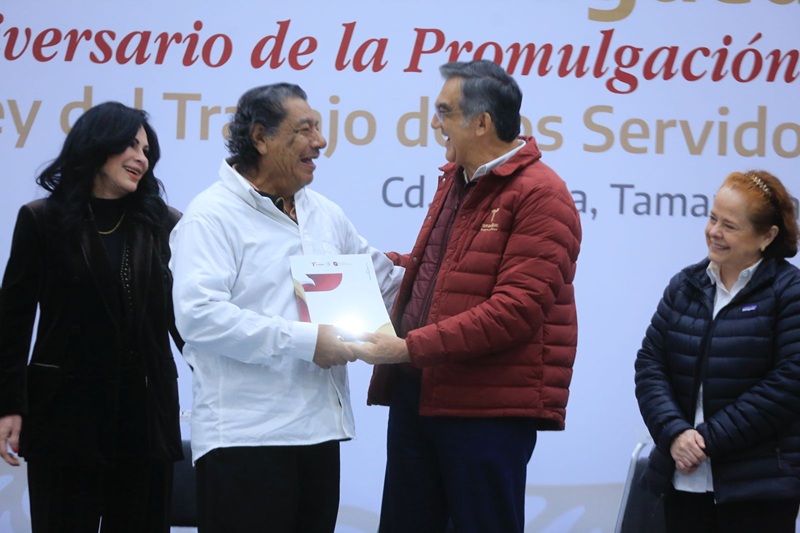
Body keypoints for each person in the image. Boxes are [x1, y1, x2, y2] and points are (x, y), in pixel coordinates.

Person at [350, 60, 582, 533]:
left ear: (481, 123)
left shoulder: (542, 194)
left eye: (444, 112)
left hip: (485, 409)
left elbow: (514, 311)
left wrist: (407, 347)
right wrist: (357, 267)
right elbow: (439, 276)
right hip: (420, 394)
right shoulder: (456, 179)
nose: (435, 124)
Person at [168, 82, 403, 533]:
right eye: (305, 129)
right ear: (261, 137)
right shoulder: (211, 216)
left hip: (320, 435)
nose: (321, 141)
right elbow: (199, 317)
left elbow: (386, 285)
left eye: (319, 128)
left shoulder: (324, 213)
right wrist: (307, 342)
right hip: (245, 440)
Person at [0, 101, 184, 532]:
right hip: (65, 416)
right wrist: (9, 406)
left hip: (145, 416)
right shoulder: (42, 220)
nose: (141, 158)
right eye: (131, 145)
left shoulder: (164, 224)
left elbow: (186, 320)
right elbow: (12, 321)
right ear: (97, 145)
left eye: (147, 151)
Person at [635, 170, 800, 533]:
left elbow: (789, 385)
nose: (714, 232)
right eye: (712, 218)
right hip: (682, 481)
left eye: (729, 225)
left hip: (758, 490)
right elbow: (650, 365)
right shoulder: (685, 285)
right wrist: (675, 433)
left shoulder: (790, 292)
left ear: (767, 236)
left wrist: (707, 440)